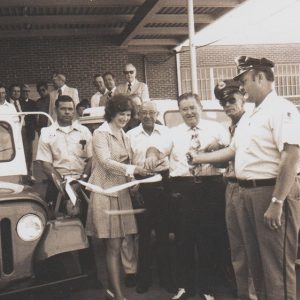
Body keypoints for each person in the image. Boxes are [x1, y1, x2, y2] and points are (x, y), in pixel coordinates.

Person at [188, 56, 300, 300]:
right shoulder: (250, 115)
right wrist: (198, 158)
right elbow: (233, 151)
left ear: (260, 77)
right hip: (246, 193)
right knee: (256, 266)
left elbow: (290, 157)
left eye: (245, 81)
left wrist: (277, 202)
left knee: (276, 268)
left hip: (270, 192)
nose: (242, 87)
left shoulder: (282, 109)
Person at [145, 92, 230, 299]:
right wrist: (151, 154)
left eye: (192, 107)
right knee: (184, 239)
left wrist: (218, 148)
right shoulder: (171, 133)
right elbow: (157, 148)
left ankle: (208, 289)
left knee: (209, 238)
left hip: (211, 187)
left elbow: (229, 153)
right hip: (183, 189)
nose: (189, 112)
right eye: (184, 109)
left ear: (200, 107)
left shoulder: (217, 129)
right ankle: (185, 286)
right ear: (180, 112)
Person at [85, 94, 150, 300]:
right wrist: (133, 169)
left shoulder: (124, 134)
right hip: (105, 193)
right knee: (113, 245)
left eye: (128, 114)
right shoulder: (100, 134)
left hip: (122, 193)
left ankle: (112, 292)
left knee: (120, 241)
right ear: (112, 112)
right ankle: (117, 294)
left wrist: (135, 182)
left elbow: (128, 162)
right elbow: (105, 162)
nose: (124, 117)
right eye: (121, 113)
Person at [214, 79, 256, 300]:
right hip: (230, 187)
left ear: (243, 98)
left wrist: (217, 152)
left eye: (232, 100)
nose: (227, 106)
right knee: (237, 247)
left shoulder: (250, 123)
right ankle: (243, 294)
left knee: (250, 246)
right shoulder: (231, 126)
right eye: (223, 102)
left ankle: (253, 294)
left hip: (246, 189)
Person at [127, 101, 174, 294]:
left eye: (151, 112)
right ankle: (144, 278)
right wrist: (133, 184)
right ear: (138, 114)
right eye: (143, 112)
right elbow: (127, 162)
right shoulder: (130, 135)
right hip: (141, 184)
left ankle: (166, 278)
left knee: (164, 233)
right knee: (143, 234)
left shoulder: (167, 133)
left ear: (157, 114)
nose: (147, 115)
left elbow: (170, 156)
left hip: (162, 183)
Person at [36, 95, 92, 205]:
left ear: (74, 111)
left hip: (83, 183)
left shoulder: (84, 131)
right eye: (63, 109)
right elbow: (46, 164)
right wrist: (62, 185)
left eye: (70, 109)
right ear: (56, 110)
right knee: (57, 220)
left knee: (87, 219)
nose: (67, 112)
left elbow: (92, 159)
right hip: (57, 185)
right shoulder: (46, 133)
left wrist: (82, 182)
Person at [20, 84, 37, 181]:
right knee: (22, 153)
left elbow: (35, 118)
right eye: (24, 91)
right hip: (21, 131)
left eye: (27, 91)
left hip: (29, 132)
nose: (26, 93)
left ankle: (30, 174)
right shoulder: (18, 103)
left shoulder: (33, 103)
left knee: (30, 153)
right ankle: (23, 174)